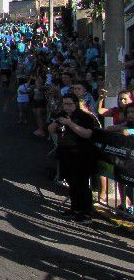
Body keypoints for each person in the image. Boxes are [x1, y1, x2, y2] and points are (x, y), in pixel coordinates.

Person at [48, 93, 100, 224]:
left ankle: (86, 212)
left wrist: (70, 123)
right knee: (71, 184)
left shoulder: (85, 117)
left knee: (82, 185)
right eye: (64, 104)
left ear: (76, 104)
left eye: (69, 104)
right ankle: (75, 208)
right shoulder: (62, 115)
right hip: (66, 154)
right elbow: (50, 130)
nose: (67, 107)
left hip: (81, 155)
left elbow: (87, 134)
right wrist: (56, 122)